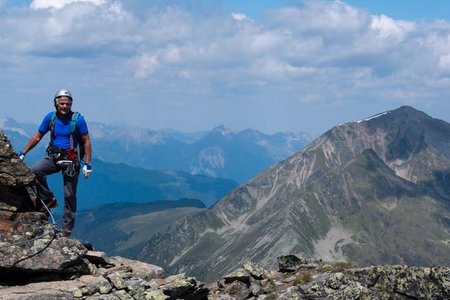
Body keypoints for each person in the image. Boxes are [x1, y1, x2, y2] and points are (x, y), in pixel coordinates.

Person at [19, 89, 93, 237]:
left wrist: (88, 163)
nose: (65, 106)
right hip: (54, 157)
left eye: (68, 103)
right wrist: (23, 152)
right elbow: (38, 136)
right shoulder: (50, 118)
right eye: (62, 103)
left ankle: (66, 230)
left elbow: (86, 141)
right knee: (34, 170)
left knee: (69, 194)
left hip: (72, 161)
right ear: (56, 103)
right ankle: (49, 199)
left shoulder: (77, 120)